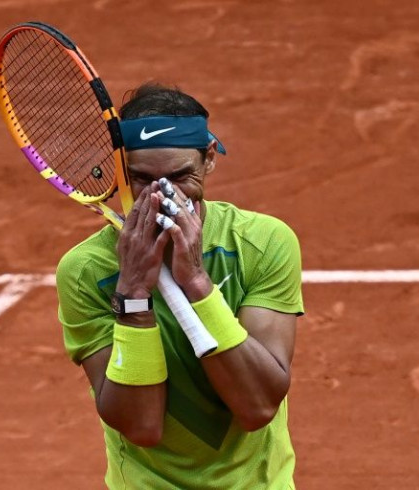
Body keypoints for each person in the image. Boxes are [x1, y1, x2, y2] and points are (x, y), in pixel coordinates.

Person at [56, 82, 305, 489]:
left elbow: (258, 406)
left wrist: (197, 283)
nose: (162, 194)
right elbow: (142, 427)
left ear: (209, 159)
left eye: (180, 175)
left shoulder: (262, 243)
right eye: (141, 178)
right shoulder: (87, 271)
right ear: (119, 173)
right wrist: (133, 294)